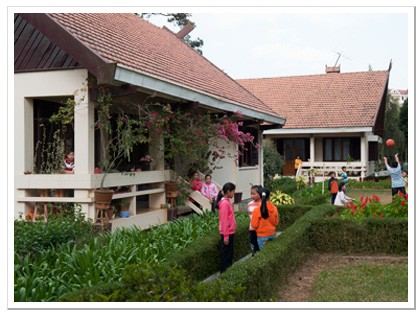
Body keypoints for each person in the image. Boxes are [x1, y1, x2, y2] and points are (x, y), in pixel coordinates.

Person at [216, 182, 237, 273]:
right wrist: (226, 236)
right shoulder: (224, 203)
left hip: (229, 232)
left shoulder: (227, 201)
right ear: (228, 191)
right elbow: (224, 220)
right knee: (226, 255)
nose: (233, 193)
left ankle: (228, 271)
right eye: (233, 191)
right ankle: (224, 272)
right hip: (227, 232)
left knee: (229, 254)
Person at [247, 185, 262, 256]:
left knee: (261, 246)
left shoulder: (263, 204)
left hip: (261, 229)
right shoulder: (249, 204)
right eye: (251, 194)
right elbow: (250, 216)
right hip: (252, 229)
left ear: (260, 193)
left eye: (254, 194)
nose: (252, 195)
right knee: (253, 244)